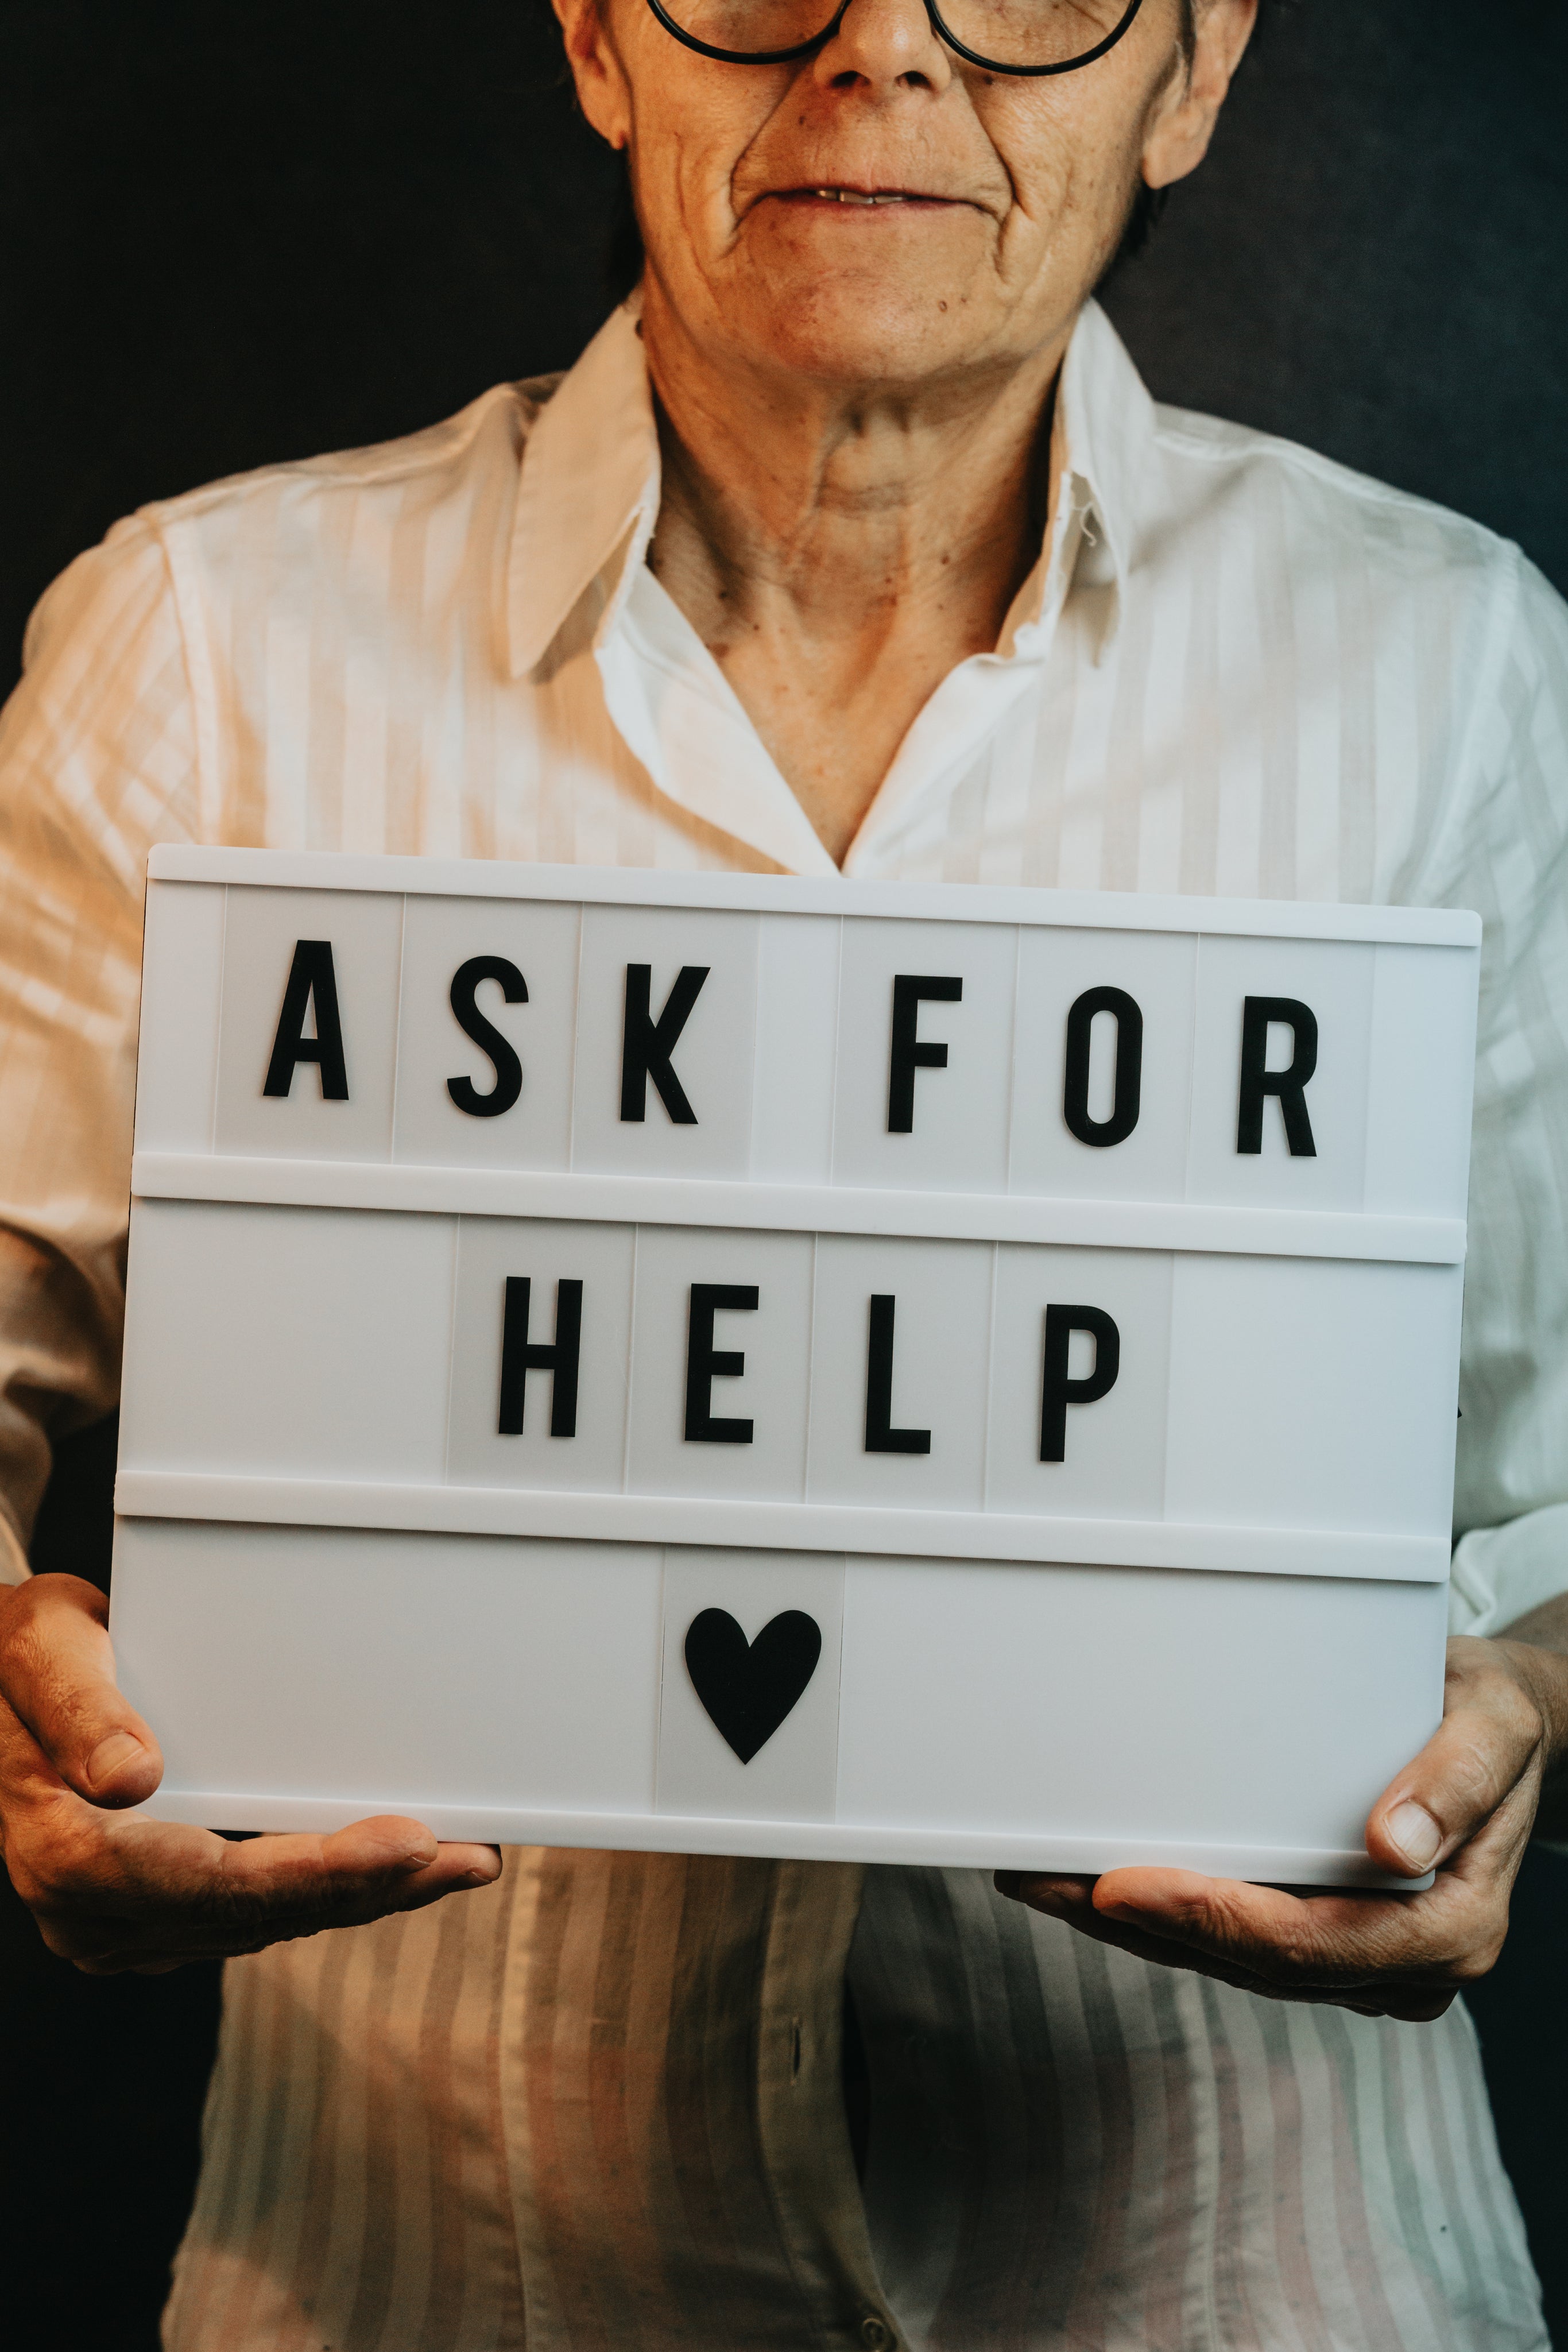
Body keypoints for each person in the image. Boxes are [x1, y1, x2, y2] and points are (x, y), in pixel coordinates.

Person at [1, 0, 1565, 2341]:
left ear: (1196, 66)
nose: (880, 55)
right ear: (595, 36)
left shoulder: (1449, 666)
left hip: (1250, 2273)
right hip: (430, 2275)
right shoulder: (201, 649)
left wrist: (1512, 1717)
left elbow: (1541, 1489)